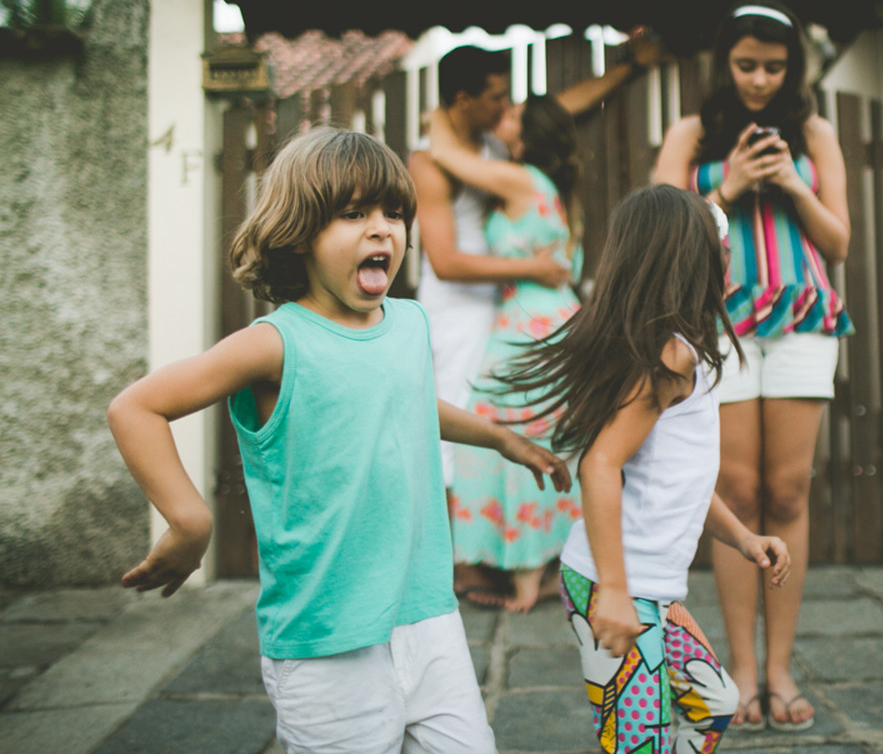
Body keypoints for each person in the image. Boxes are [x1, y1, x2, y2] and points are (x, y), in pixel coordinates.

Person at [107, 127, 571, 753]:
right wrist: (189, 522)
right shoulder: (275, 342)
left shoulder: (407, 322)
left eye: (394, 213)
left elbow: (404, 402)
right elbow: (136, 406)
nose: (383, 229)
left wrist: (498, 439)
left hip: (427, 617)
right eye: (353, 214)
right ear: (298, 232)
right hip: (326, 640)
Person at [496, 185, 792, 753]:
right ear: (687, 261)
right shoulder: (669, 357)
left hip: (653, 590)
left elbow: (685, 482)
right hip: (618, 585)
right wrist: (614, 591)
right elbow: (601, 464)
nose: (729, 258)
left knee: (714, 705)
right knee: (638, 745)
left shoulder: (693, 355)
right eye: (720, 247)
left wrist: (744, 538)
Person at [654, 0, 853, 732]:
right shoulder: (694, 132)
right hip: (720, 324)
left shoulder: (815, 132)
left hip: (802, 319)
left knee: (790, 494)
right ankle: (741, 668)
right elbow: (663, 226)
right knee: (735, 492)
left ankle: (779, 669)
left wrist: (794, 182)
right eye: (746, 65)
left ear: (793, 68)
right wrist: (730, 183)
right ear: (724, 63)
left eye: (774, 67)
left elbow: (838, 243)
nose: (760, 80)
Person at [409, 38, 664, 600]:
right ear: (462, 99)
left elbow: (558, 110)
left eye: (512, 105)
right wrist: (533, 267)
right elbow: (447, 261)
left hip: (515, 310)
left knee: (521, 436)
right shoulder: (435, 159)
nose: (506, 109)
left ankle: (522, 560)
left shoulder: (506, 157)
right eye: (497, 99)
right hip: (469, 308)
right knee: (462, 433)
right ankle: (472, 562)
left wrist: (625, 69)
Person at [425, 94, 585, 612]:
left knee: (508, 438)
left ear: (530, 133)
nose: (502, 117)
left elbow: (448, 157)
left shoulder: (525, 180)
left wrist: (439, 113)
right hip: (535, 317)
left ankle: (527, 570)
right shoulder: (537, 182)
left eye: (513, 114)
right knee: (523, 436)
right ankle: (536, 565)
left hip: (533, 324)